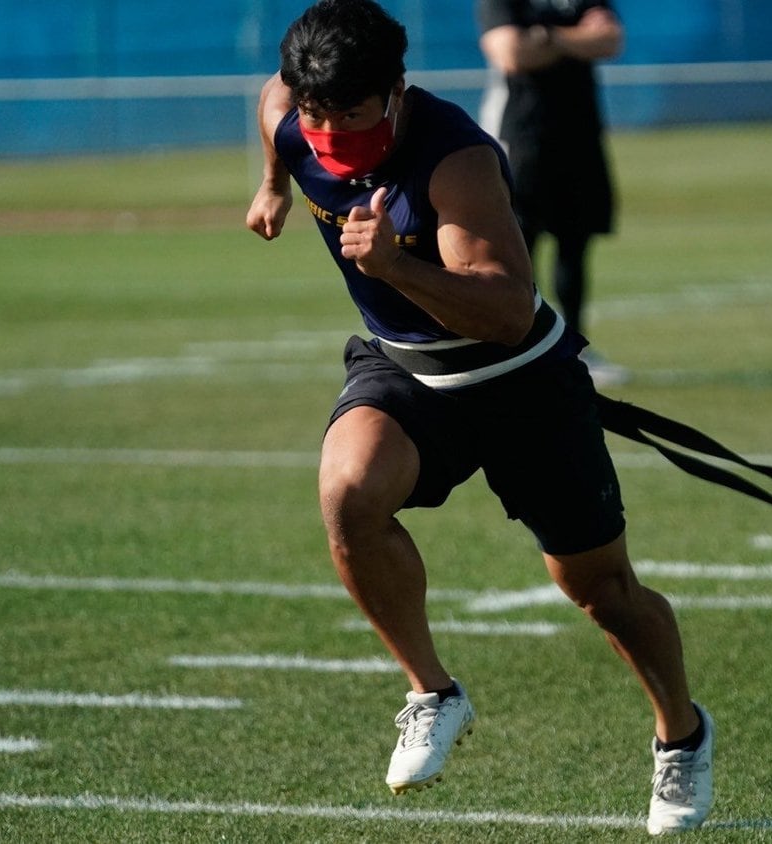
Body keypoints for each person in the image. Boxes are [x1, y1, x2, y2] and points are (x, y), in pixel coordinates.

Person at [245, 0, 711, 834]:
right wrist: (274, 184)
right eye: (315, 114)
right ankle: (433, 692)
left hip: (518, 378)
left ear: (395, 91)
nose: (329, 133)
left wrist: (396, 266)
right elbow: (273, 106)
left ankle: (681, 735)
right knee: (349, 491)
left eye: (351, 115)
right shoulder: (292, 111)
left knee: (601, 591)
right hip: (408, 367)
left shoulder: (454, 158)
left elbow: (504, 310)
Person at [477, 0, 628, 387]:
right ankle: (519, 350)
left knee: (575, 245)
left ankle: (574, 350)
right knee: (519, 250)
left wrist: (546, 37)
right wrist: (576, 37)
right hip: (523, 139)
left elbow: (610, 40)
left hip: (581, 135)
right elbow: (511, 53)